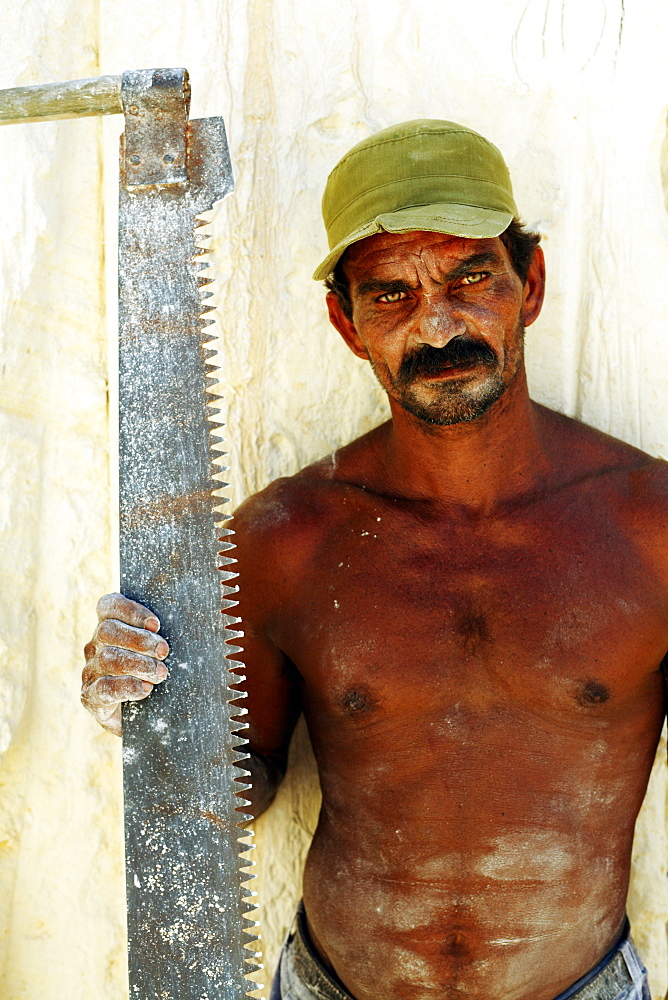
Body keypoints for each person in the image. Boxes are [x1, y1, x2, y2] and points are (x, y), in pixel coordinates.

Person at [81, 120, 666, 1000]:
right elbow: (246, 785)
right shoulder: (287, 537)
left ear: (528, 285)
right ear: (346, 324)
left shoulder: (650, 529)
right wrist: (155, 716)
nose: (438, 324)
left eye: (471, 276)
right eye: (389, 294)